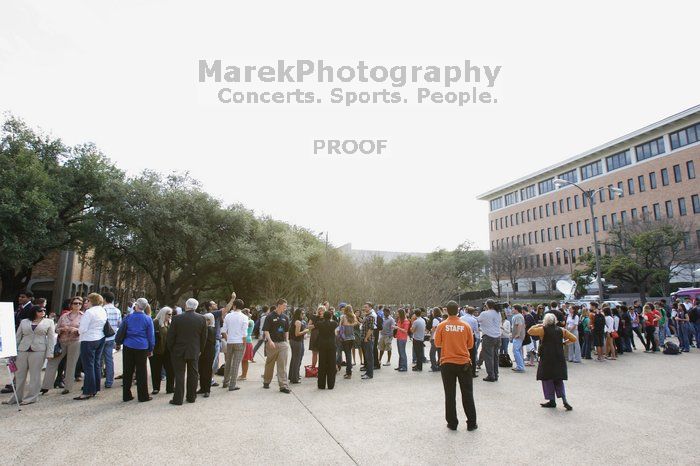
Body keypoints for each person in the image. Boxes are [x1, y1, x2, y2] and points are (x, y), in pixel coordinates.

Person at [434, 300, 477, 431]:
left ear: (446, 310)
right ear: (458, 310)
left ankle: (452, 423)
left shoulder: (442, 326)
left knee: (450, 394)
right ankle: (471, 423)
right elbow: (470, 345)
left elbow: (437, 344)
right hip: (463, 362)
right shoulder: (465, 326)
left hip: (447, 362)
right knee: (467, 393)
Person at [3, 306, 55, 405]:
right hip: (22, 349)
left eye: (44, 310)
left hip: (39, 350)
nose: (43, 312)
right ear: (34, 312)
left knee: (35, 375)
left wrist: (50, 352)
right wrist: (12, 351)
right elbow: (18, 336)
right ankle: (16, 398)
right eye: (40, 310)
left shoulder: (49, 322)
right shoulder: (24, 322)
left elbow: (51, 339)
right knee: (19, 375)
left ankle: (32, 397)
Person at [527, 313, 576, 411]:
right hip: (558, 356)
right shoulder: (561, 330)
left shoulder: (543, 330)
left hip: (547, 357)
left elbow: (530, 331)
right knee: (558, 379)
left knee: (547, 379)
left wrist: (538, 325)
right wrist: (563, 343)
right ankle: (564, 400)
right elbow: (574, 339)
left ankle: (551, 400)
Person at [166, 298, 207, 405]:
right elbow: (204, 337)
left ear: (186, 305)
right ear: (196, 307)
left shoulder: (177, 318)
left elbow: (170, 336)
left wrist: (171, 348)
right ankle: (191, 397)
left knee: (179, 375)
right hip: (194, 349)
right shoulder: (202, 319)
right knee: (193, 374)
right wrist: (200, 350)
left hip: (178, 350)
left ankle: (178, 399)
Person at [115, 297, 155, 402]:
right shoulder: (148, 319)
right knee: (141, 371)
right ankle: (143, 396)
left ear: (136, 306)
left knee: (128, 370)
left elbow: (121, 331)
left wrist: (118, 342)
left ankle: (126, 395)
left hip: (128, 345)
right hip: (142, 346)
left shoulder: (128, 317)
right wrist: (150, 348)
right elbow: (151, 336)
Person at [41, 296, 83, 395]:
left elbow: (85, 330)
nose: (77, 305)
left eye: (79, 303)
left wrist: (76, 330)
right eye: (75, 303)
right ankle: (46, 386)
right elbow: (56, 328)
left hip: (75, 341)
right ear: (71, 305)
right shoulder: (64, 316)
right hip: (62, 341)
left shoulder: (83, 316)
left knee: (71, 364)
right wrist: (61, 329)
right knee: (53, 362)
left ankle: (68, 387)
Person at [75, 293, 107, 401]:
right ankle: (95, 387)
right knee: (96, 364)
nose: (85, 303)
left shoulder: (89, 312)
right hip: (100, 337)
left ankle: (88, 391)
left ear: (91, 301)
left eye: (87, 301)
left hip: (89, 339)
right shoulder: (102, 310)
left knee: (88, 366)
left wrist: (77, 330)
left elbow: (82, 328)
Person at [220, 298, 248, 391]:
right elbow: (244, 333)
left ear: (234, 306)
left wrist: (228, 339)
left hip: (230, 341)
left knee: (228, 362)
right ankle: (232, 385)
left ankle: (225, 382)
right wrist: (244, 344)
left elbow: (223, 330)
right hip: (240, 341)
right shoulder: (244, 317)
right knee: (236, 364)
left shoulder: (228, 316)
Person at [149, 306, 174, 395]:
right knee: (156, 370)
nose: (170, 316)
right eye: (169, 314)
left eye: (171, 314)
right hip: (157, 350)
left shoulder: (171, 323)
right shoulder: (155, 323)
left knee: (171, 370)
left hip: (168, 351)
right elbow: (151, 336)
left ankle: (170, 388)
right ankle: (156, 388)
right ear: (164, 314)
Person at [477, 300, 501, 382]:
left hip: (488, 336)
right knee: (495, 356)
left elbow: (477, 320)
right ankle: (496, 374)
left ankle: (491, 375)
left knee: (488, 357)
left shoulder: (485, 313)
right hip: (497, 336)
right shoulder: (498, 313)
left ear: (487, 305)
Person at [102, 292, 121, 389]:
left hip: (102, 337)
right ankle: (109, 381)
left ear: (104, 299)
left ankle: (97, 379)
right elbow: (119, 324)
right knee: (109, 359)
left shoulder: (103, 309)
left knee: (99, 360)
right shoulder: (117, 310)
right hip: (111, 337)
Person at [316, 309, 338, 389]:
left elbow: (316, 323)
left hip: (322, 345)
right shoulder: (334, 323)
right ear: (331, 316)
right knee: (331, 365)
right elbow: (335, 322)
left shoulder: (319, 324)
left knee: (322, 364)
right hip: (331, 345)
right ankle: (331, 385)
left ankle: (321, 385)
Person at [289, 308, 310, 384]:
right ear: (298, 314)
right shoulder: (298, 322)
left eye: (304, 313)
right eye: (302, 314)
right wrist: (305, 331)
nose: (303, 315)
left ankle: (292, 375)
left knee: (295, 358)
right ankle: (294, 378)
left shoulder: (297, 321)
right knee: (297, 359)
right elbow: (297, 334)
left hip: (296, 341)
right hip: (296, 341)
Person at [198, 313, 216, 398]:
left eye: (208, 320)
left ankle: (207, 390)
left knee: (207, 371)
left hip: (208, 353)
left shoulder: (210, 329)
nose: (206, 321)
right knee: (201, 371)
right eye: (205, 319)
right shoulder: (205, 328)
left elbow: (208, 343)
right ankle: (202, 388)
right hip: (202, 353)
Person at [460, 307, 480, 377]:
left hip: (462, 337)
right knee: (472, 355)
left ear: (466, 311)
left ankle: (462, 370)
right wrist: (478, 338)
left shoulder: (461, 318)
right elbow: (476, 330)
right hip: (471, 337)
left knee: (462, 353)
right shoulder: (474, 320)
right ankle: (473, 372)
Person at [339, 305, 357, 379]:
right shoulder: (353, 316)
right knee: (349, 354)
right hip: (352, 337)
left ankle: (348, 373)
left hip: (345, 338)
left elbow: (340, 326)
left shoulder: (343, 317)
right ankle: (349, 371)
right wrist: (351, 325)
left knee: (348, 355)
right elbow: (356, 323)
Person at [361, 302, 375, 380]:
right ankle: (367, 372)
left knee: (369, 357)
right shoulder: (366, 316)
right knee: (367, 357)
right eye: (364, 307)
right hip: (364, 338)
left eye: (366, 307)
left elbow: (371, 328)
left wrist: (366, 338)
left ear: (370, 307)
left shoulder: (371, 317)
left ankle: (370, 374)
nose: (364, 308)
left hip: (368, 339)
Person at [240, 309, 255, 381]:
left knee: (245, 360)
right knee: (243, 360)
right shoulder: (248, 321)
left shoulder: (250, 321)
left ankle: (244, 375)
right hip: (245, 341)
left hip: (247, 341)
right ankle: (243, 374)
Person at [511, 304, 526, 371]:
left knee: (515, 350)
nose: (512, 310)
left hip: (518, 336)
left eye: (513, 308)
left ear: (516, 309)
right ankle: (520, 366)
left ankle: (520, 367)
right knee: (518, 351)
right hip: (519, 335)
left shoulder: (518, 316)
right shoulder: (518, 316)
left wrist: (518, 334)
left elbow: (519, 325)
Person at [428, 308, 443, 372]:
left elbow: (433, 329)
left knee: (432, 353)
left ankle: (434, 366)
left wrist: (430, 336)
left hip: (435, 338)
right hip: (440, 338)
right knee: (439, 353)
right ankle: (440, 365)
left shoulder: (435, 319)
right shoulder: (441, 319)